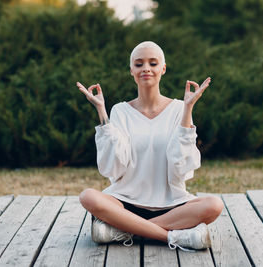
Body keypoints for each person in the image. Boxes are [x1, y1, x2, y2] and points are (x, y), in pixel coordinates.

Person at [76, 41, 223, 251]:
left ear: (163, 69)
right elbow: (114, 168)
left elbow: (181, 170)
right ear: (131, 71)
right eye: (139, 64)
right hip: (125, 203)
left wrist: (188, 108)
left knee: (214, 205)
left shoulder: (180, 108)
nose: (146, 68)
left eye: (153, 63)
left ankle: (123, 231)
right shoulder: (119, 111)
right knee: (88, 196)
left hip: (171, 205)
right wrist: (102, 111)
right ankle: (174, 237)